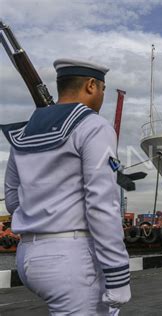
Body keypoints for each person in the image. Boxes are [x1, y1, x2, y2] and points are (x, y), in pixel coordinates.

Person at [3, 59, 131, 314]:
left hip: (28, 256)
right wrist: (118, 273)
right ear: (92, 86)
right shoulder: (93, 126)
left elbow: (12, 199)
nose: (103, 96)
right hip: (71, 258)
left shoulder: (26, 131)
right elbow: (102, 204)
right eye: (103, 89)